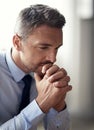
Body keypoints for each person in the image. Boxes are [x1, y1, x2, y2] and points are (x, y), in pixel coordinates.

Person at [0, 4, 72, 130]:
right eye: (43, 47)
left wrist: (58, 105)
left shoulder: (46, 76)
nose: (53, 58)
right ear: (17, 43)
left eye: (56, 48)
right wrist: (41, 104)